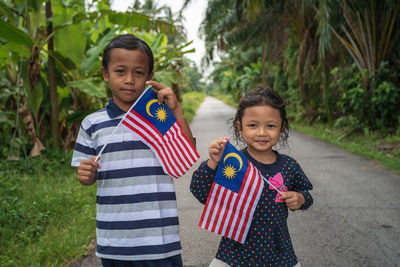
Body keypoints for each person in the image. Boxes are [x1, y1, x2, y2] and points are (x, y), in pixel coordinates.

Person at [71, 34, 195, 266]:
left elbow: (186, 152)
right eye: (120, 71)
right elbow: (86, 175)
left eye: (138, 73)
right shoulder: (91, 124)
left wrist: (176, 111)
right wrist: (85, 175)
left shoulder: (160, 118)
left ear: (149, 77)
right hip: (115, 240)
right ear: (105, 74)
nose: (129, 80)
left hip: (159, 239)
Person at [190, 85, 313, 267]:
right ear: (240, 127)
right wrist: (213, 162)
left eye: (270, 126)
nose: (262, 132)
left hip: (279, 254)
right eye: (253, 125)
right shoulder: (234, 163)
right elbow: (201, 192)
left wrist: (301, 198)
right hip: (234, 255)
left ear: (282, 127)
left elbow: (306, 193)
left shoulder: (289, 166)